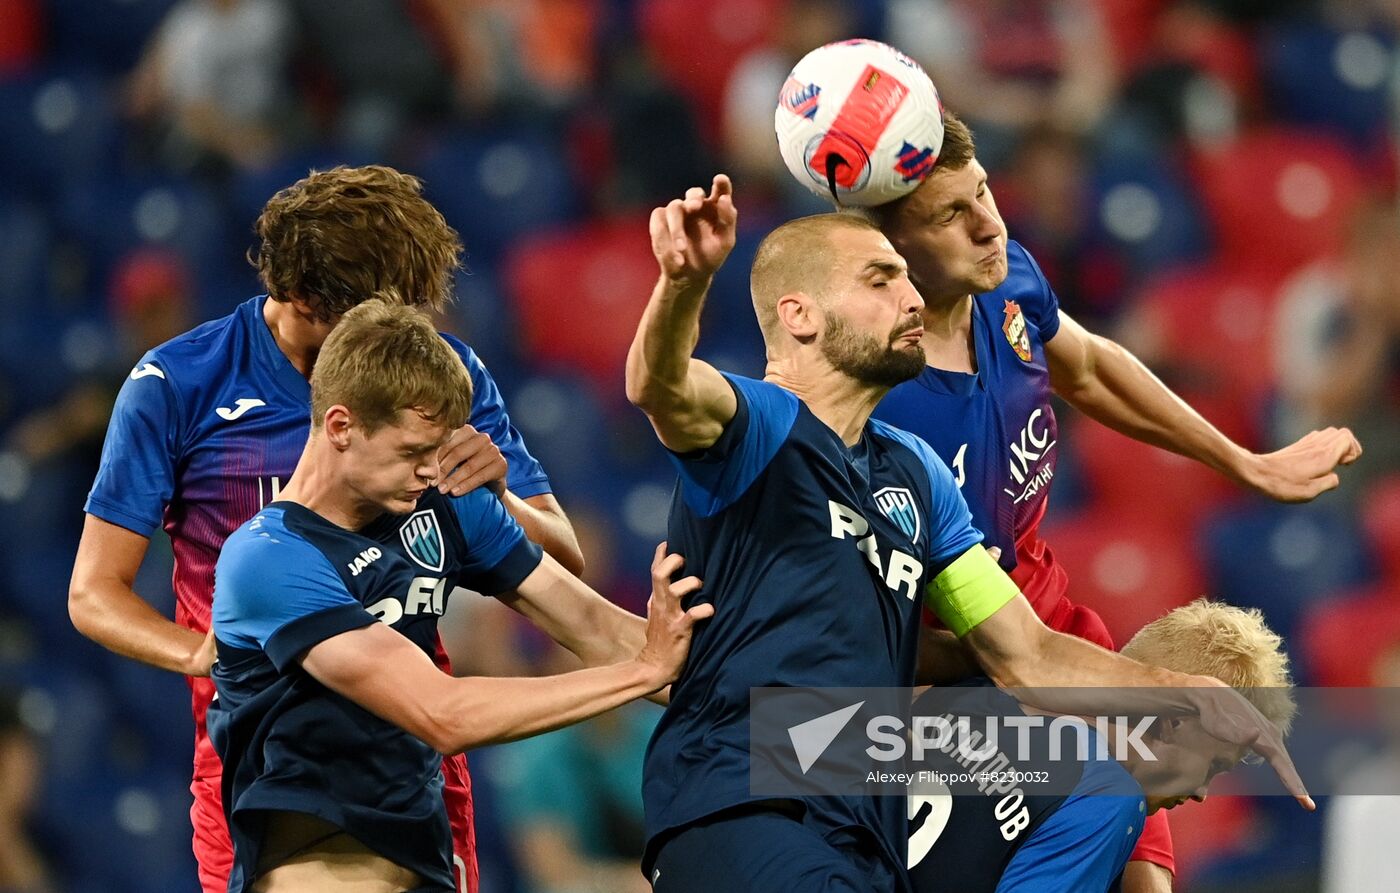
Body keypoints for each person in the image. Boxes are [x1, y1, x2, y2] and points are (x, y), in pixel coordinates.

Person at [625, 175, 1310, 893]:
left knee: (1100, 787)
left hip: (864, 820)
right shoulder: (761, 427)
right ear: (799, 314)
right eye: (881, 279)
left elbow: (1027, 648)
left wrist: (1189, 695)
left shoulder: (917, 474)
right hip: (751, 790)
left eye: (907, 279)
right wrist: (682, 285)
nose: (914, 297)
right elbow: (660, 386)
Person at [867, 111, 1360, 892]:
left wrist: (1243, 462)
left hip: (1043, 633)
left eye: (985, 193)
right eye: (952, 214)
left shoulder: (1008, 283)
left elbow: (1089, 369)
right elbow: (855, 620)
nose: (991, 223)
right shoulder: (877, 408)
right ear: (891, 251)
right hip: (944, 687)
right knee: (1102, 791)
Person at [67, 164, 584, 893]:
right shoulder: (180, 384)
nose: (402, 336)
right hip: (258, 760)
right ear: (303, 299)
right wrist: (200, 654)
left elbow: (562, 560)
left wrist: (502, 492)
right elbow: (93, 592)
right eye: (377, 313)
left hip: (410, 747)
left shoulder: (441, 373)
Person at [208, 299, 707, 893]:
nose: (428, 471)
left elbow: (602, 633)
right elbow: (443, 715)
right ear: (340, 426)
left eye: (436, 451)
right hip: (316, 863)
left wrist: (824, 734)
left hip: (426, 856)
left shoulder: (446, 502)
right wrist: (643, 671)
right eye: (412, 453)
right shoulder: (269, 558)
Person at [908, 599, 1297, 892]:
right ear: (1172, 721)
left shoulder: (972, 687)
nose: (1201, 793)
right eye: (1213, 766)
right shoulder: (1110, 802)